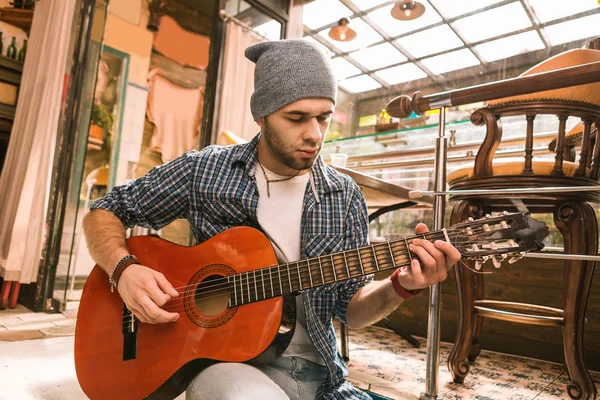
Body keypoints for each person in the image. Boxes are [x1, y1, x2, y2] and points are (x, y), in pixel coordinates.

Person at [83, 39, 461, 400]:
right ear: (262, 115)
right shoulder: (205, 171)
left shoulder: (344, 196)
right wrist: (124, 270)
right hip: (229, 368)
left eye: (324, 118)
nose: (314, 135)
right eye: (296, 118)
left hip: (320, 377)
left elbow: (352, 310)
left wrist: (400, 286)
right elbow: (105, 211)